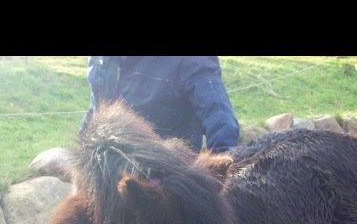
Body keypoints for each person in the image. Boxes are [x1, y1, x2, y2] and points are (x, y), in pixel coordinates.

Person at [82, 56, 240, 152]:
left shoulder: (193, 60)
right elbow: (97, 107)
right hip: (104, 180)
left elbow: (221, 122)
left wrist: (217, 185)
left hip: (163, 189)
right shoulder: (102, 59)